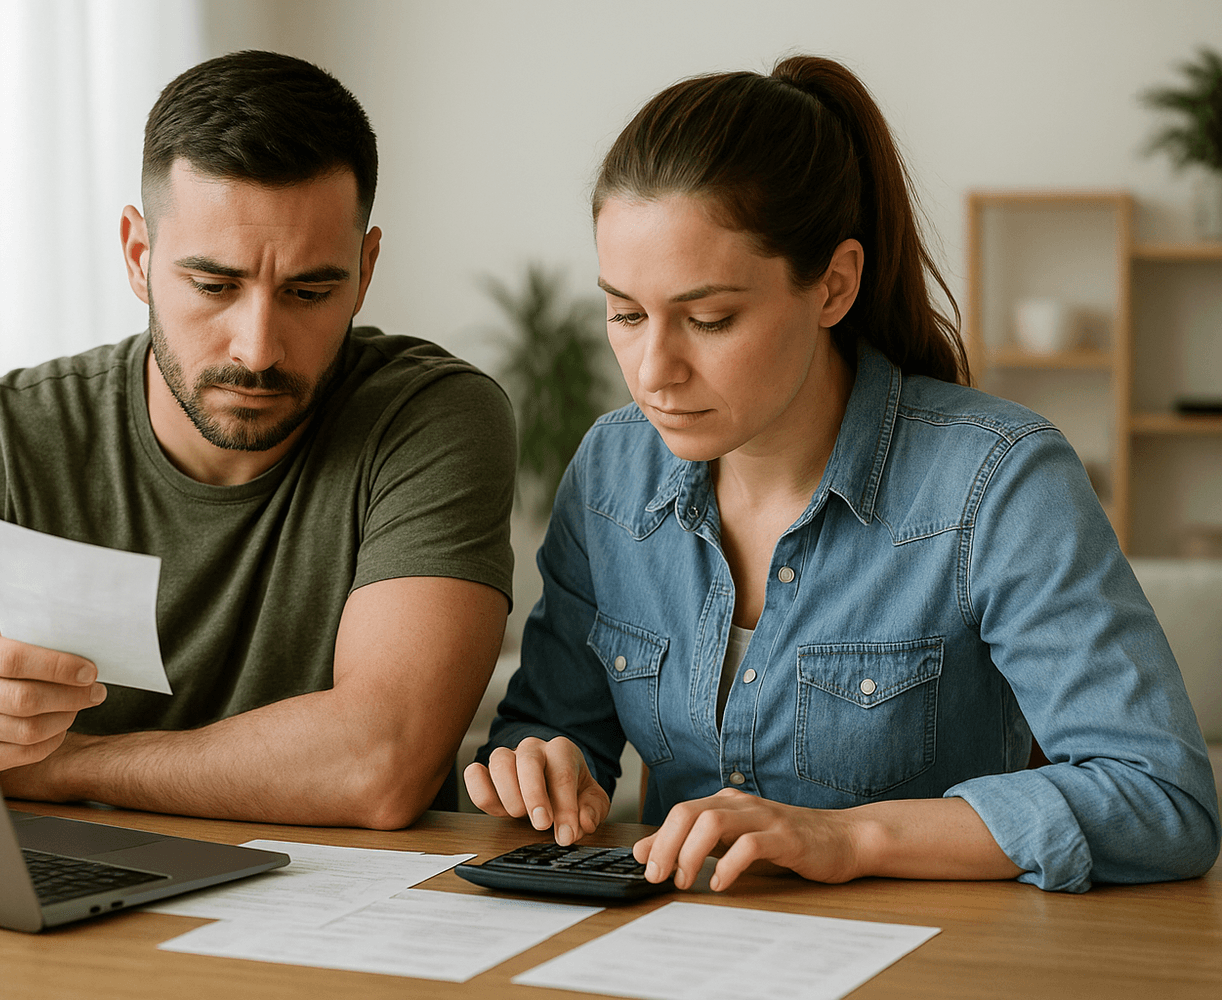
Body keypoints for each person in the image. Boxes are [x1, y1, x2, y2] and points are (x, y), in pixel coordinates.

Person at [467, 55, 1219, 892]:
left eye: (709, 319)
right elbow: (551, 728)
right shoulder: (611, 471)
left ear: (834, 285)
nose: (652, 371)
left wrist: (850, 839)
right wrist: (540, 770)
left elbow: (1164, 801)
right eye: (625, 313)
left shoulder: (999, 481)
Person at [0, 51, 516, 830]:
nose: (258, 347)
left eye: (310, 291)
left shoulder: (429, 419)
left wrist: (58, 769)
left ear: (365, 269)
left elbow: (378, 765)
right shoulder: (4, 438)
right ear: (139, 257)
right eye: (214, 286)